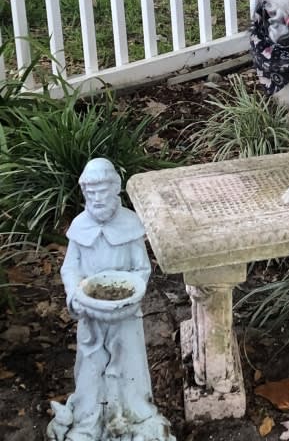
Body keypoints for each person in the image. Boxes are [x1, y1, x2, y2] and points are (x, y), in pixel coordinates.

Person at [52, 158, 171, 441]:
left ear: (115, 190)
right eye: (90, 192)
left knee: (128, 363)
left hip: (125, 314)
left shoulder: (130, 225)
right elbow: (70, 267)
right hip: (90, 312)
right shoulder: (80, 227)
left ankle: (132, 417)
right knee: (90, 366)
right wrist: (74, 294)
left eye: (102, 190)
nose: (96, 197)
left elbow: (141, 268)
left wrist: (133, 291)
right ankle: (88, 421)